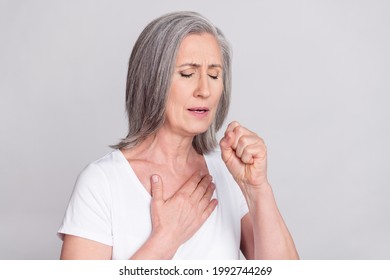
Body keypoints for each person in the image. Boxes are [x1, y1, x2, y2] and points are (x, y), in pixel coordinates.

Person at [58, 11, 299, 260]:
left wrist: (257, 189)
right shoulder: (101, 183)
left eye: (214, 75)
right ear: (152, 80)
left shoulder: (228, 172)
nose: (205, 90)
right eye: (187, 73)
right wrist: (166, 239)